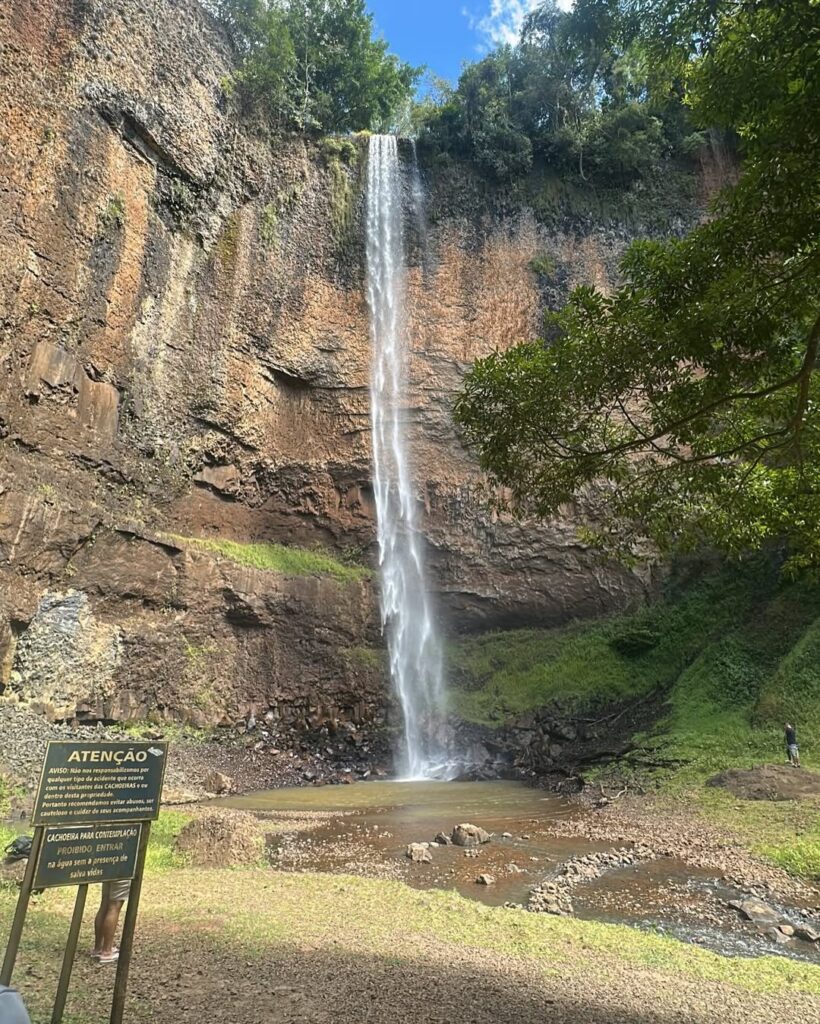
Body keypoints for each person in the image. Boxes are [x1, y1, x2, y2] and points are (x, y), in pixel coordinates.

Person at [93, 879, 130, 964]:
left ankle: (98, 948)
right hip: (122, 871)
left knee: (105, 904)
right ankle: (106, 951)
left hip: (109, 869)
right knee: (114, 906)